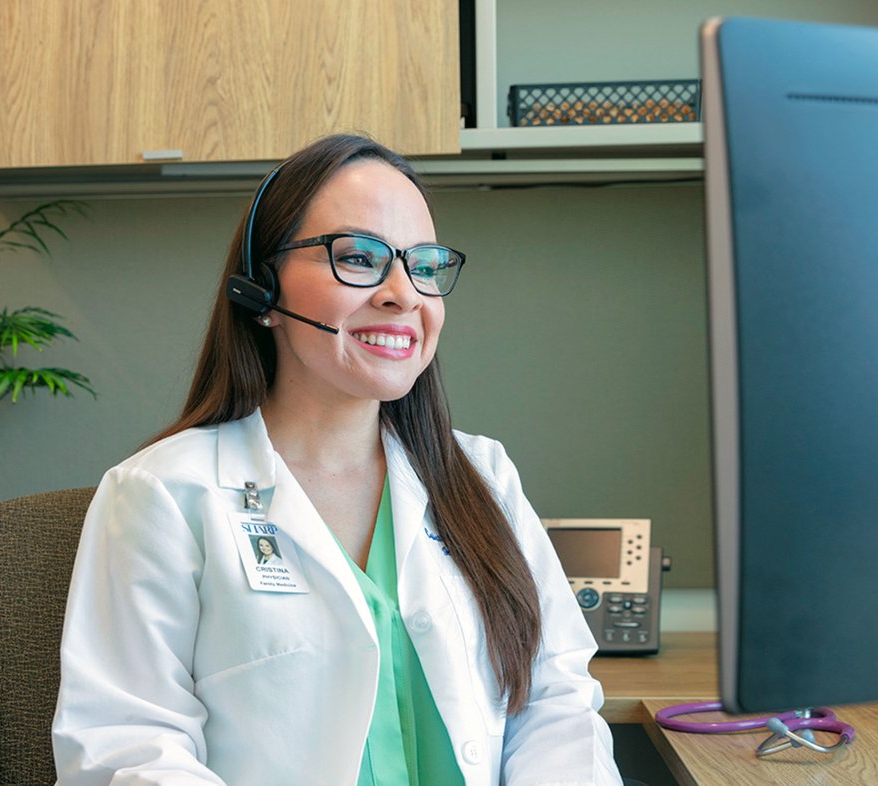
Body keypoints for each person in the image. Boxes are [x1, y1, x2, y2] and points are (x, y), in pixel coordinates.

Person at [53, 134, 624, 785]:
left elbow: (555, 704)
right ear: (262, 291)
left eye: (424, 266)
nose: (402, 294)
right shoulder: (164, 493)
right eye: (359, 258)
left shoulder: (481, 476)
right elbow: (128, 747)